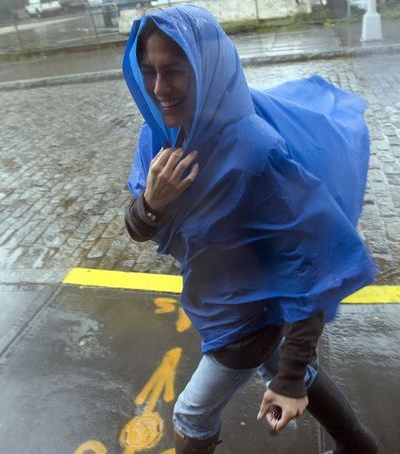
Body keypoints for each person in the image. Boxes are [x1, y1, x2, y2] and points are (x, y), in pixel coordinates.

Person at [122, 6, 379, 454]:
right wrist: (151, 203)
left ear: (207, 68)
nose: (160, 89)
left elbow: (314, 262)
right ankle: (358, 445)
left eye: (175, 71)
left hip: (247, 322)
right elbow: (137, 228)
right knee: (278, 367)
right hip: (214, 300)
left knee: (191, 414)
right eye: (149, 71)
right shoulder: (160, 137)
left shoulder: (254, 151)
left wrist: (292, 378)